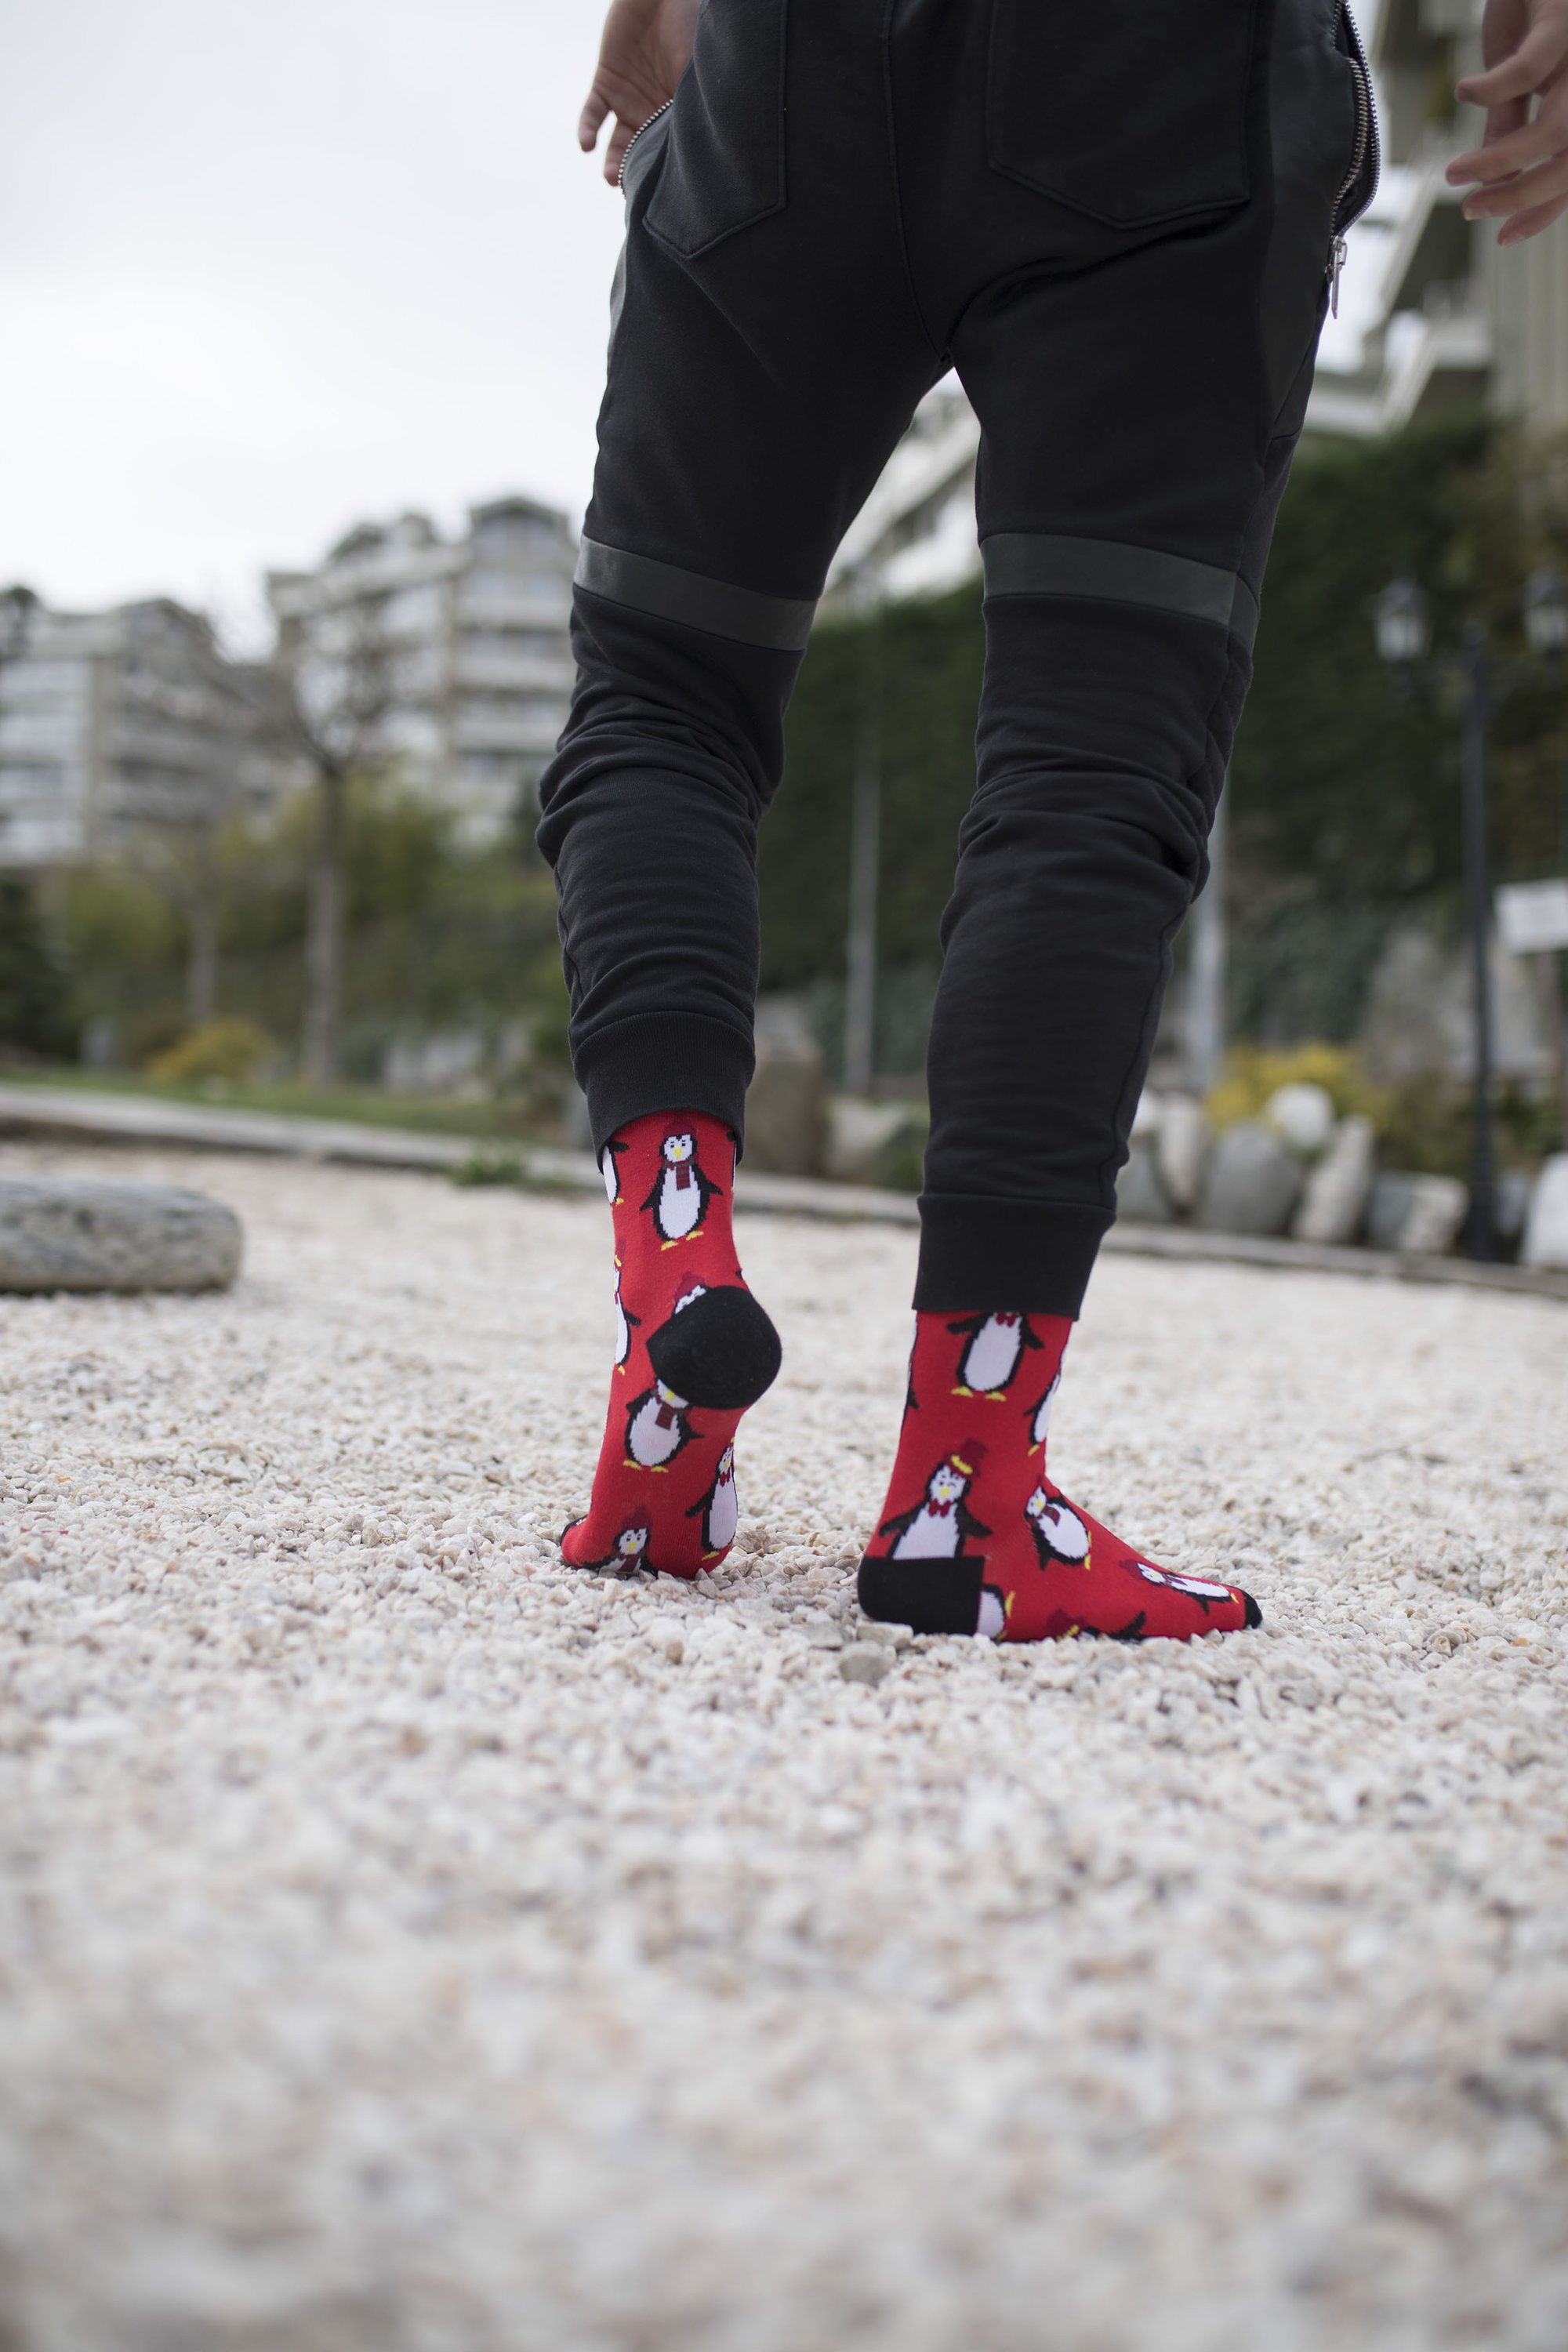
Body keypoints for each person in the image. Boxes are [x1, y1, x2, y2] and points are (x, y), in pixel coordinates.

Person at [539, 0, 1568, 1643]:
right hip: (1163, 76)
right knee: (1092, 757)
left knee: (663, 694)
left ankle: (673, 1269)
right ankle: (967, 1497)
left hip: (789, 66)